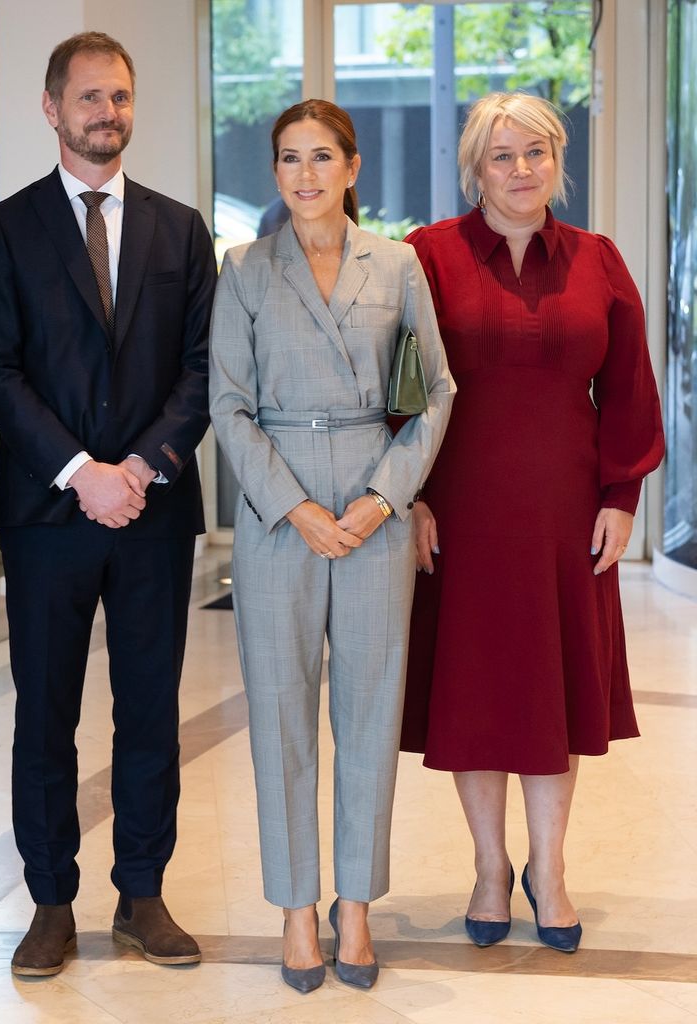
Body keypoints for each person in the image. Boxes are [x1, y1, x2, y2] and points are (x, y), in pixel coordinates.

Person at [0, 32, 216, 977]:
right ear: (51, 108)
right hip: (47, 515)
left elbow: (200, 369)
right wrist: (82, 470)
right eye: (88, 98)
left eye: (119, 96)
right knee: (46, 716)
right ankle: (51, 903)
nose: (106, 112)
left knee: (150, 710)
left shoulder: (180, 228)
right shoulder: (10, 225)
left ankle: (143, 894)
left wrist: (142, 467)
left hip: (152, 512)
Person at [399, 92, 665, 953]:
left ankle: (549, 869)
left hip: (565, 514)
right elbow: (395, 390)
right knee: (476, 693)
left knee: (555, 692)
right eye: (503, 156)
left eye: (538, 153)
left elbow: (627, 386)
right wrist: (409, 496)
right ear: (476, 165)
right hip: (461, 513)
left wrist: (621, 499)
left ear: (558, 160)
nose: (522, 171)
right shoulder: (426, 257)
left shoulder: (598, 259)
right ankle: (488, 867)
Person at [209, 99, 454, 992]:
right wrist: (293, 505)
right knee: (280, 717)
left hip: (373, 511)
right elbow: (227, 405)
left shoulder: (399, 265)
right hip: (282, 519)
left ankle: (355, 906)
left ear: (352, 168)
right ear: (273, 173)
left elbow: (434, 394)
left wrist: (387, 498)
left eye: (321, 157)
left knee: (367, 711)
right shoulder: (242, 269)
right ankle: (296, 910)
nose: (304, 175)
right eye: (287, 158)